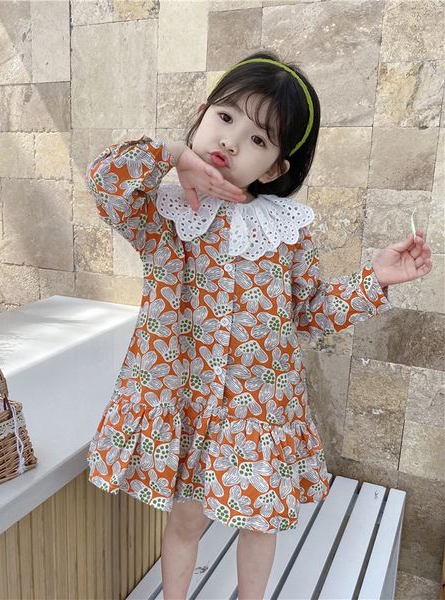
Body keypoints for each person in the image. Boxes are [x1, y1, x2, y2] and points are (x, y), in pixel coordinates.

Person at [83, 50, 433, 600]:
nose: (230, 141)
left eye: (258, 139)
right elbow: (104, 179)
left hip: (257, 414)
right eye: (225, 117)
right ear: (202, 115)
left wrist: (376, 279)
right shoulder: (162, 214)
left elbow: (310, 310)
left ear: (273, 168)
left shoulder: (285, 230)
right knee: (186, 520)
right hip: (187, 405)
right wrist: (171, 154)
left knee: (260, 523)